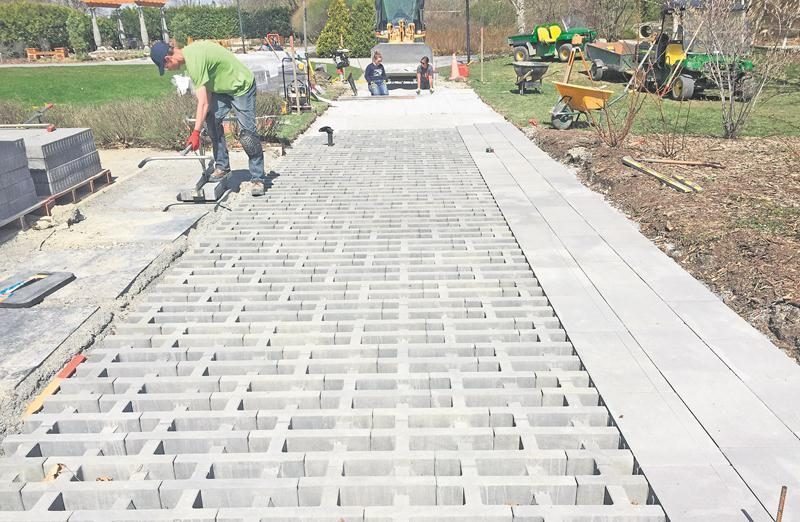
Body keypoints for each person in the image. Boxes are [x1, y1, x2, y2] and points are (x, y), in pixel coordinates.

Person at [150, 40, 267, 196]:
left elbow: (203, 102)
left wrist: (196, 132)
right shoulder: (191, 54)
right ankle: (222, 167)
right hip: (222, 89)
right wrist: (204, 123)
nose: (168, 69)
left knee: (248, 135)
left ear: (167, 59)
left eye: (165, 67)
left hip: (241, 87)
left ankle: (258, 178)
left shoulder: (194, 62)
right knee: (211, 120)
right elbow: (208, 94)